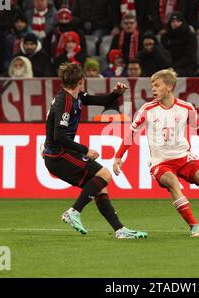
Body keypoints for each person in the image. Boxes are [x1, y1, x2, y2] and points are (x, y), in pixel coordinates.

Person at [113, 68, 199, 237]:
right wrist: (118, 156)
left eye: (157, 85)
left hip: (185, 158)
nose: (153, 89)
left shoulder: (186, 108)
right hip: (160, 162)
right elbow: (131, 134)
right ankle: (194, 226)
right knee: (173, 184)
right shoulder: (147, 109)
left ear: (169, 87)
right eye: (152, 86)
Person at [42, 62, 147, 239]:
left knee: (99, 187)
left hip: (61, 154)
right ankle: (73, 212)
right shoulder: (65, 103)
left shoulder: (75, 96)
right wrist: (85, 150)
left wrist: (116, 94)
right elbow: (59, 135)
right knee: (105, 175)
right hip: (59, 156)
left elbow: (101, 101)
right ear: (81, 80)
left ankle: (120, 230)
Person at [161, 11, 197, 77]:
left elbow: (190, 57)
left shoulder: (190, 37)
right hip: (168, 66)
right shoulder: (165, 37)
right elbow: (163, 52)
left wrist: (173, 66)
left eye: (178, 21)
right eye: (173, 21)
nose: (175, 23)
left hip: (185, 67)